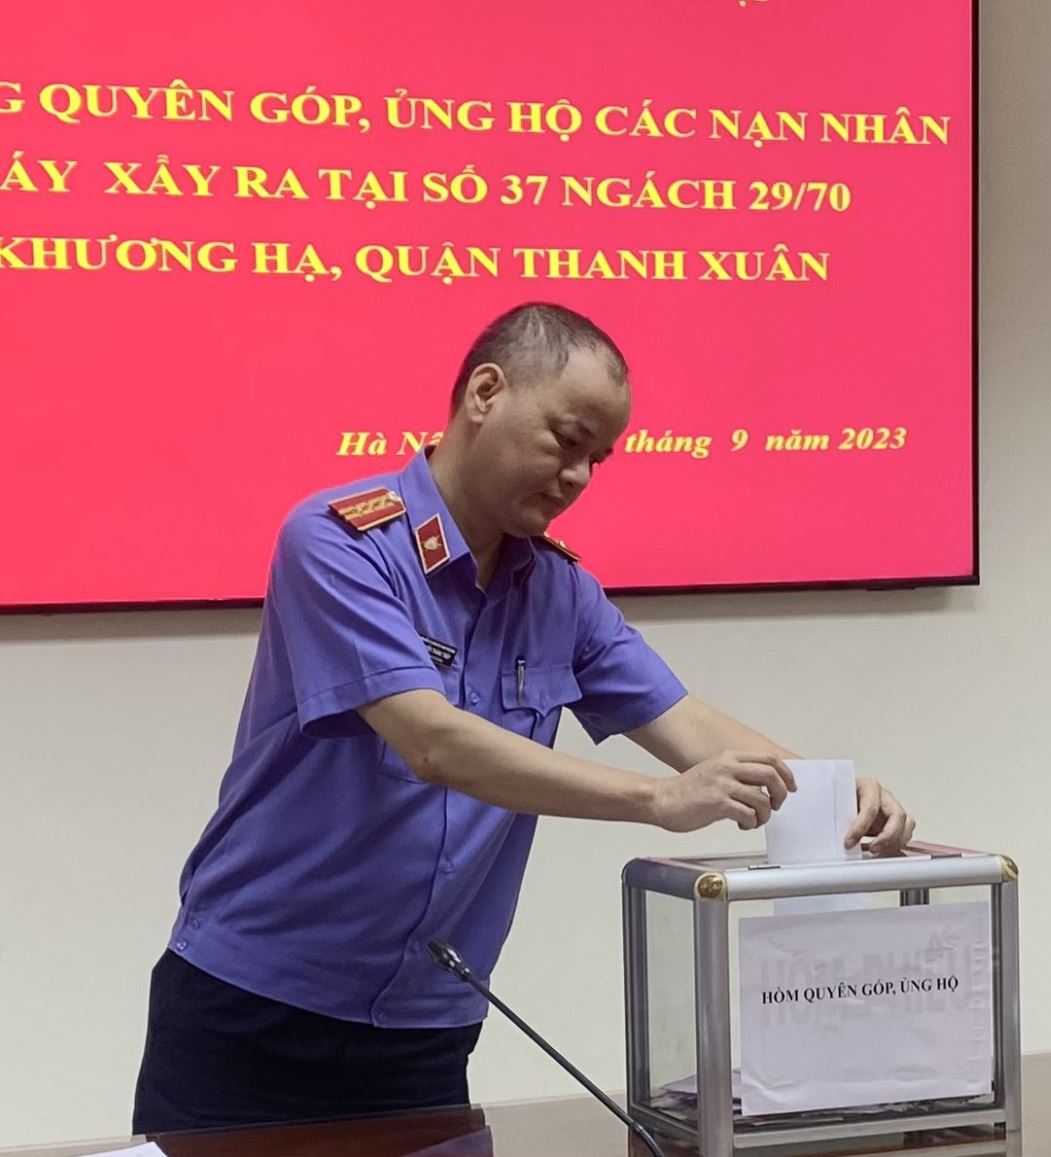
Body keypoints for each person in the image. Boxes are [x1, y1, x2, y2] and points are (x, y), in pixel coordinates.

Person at [132, 302, 914, 1134]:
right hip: (253, 1005)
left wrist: (833, 792)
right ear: (485, 393)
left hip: (426, 1023)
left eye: (597, 458)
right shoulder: (340, 543)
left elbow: (685, 721)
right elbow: (432, 741)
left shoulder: (559, 591)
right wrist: (656, 801)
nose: (577, 476)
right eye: (566, 440)